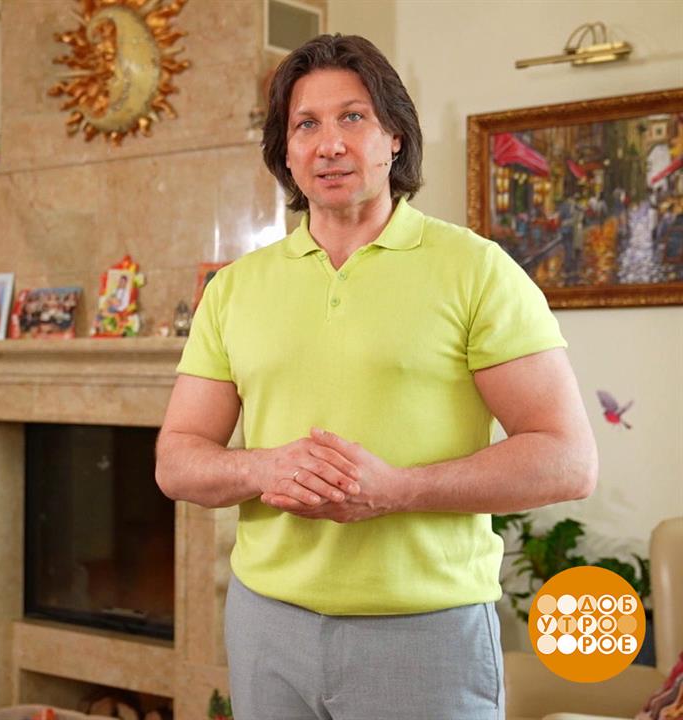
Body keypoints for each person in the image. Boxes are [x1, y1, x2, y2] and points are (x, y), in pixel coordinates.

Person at [155, 34, 596, 720]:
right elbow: (176, 461)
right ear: (285, 151)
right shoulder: (234, 289)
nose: (329, 144)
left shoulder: (476, 270)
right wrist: (264, 466)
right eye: (306, 124)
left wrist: (398, 489)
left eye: (353, 117)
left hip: (426, 634)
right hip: (265, 625)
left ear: (394, 137)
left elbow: (568, 460)